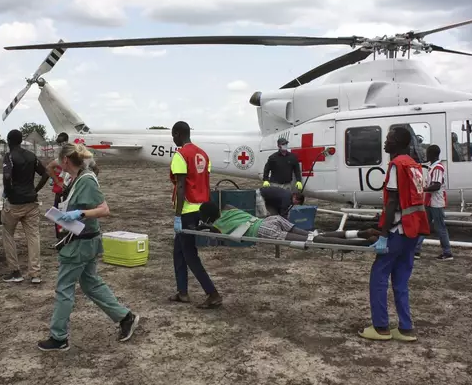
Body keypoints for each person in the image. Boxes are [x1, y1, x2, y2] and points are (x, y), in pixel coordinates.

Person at [37, 142, 139, 351]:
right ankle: (124, 317)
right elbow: (55, 166)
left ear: (66, 160)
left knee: (64, 288)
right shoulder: (77, 178)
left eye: (60, 160)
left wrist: (79, 214)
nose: (57, 163)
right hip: (83, 240)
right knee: (90, 283)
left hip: (80, 244)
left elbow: (104, 209)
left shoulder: (86, 181)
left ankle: (59, 337)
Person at [359, 127, 429, 342]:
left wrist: (383, 233)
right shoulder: (415, 165)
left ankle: (381, 327)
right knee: (401, 280)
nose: (385, 143)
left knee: (379, 276)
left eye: (388, 139)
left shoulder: (397, 165)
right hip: (413, 231)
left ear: (397, 142)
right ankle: (405, 328)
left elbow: (392, 202)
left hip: (398, 230)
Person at [169, 120, 221, 309]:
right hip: (200, 208)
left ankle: (212, 293)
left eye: (173, 136)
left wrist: (177, 215)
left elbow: (181, 186)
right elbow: (205, 182)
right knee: (178, 252)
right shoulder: (203, 155)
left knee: (190, 255)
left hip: (186, 211)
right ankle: (182, 292)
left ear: (177, 134)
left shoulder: (181, 156)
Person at [198, 201, 380, 246]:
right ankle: (359, 233)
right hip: (272, 219)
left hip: (263, 230)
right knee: (314, 235)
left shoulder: (218, 226)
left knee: (313, 242)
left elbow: (209, 229)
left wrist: (204, 225)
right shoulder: (229, 209)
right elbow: (224, 206)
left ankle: (362, 242)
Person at [1, 129, 48, 284]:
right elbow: (46, 173)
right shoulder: (31, 156)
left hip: (14, 204)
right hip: (31, 203)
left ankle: (15, 272)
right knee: (33, 236)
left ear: (8, 141)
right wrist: (35, 190)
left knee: (8, 234)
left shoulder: (9, 157)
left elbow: (7, 176)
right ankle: (35, 273)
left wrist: (8, 193)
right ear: (21, 141)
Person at [414, 145, 453, 260]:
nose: (426, 155)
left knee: (440, 227)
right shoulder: (433, 167)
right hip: (430, 202)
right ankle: (416, 250)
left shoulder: (437, 168)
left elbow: (436, 185)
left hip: (435, 202)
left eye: (427, 153)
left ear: (432, 154)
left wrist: (422, 189)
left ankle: (447, 252)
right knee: (424, 225)